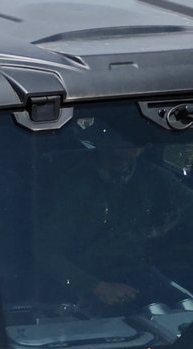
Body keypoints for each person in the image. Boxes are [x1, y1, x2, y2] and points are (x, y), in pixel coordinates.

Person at [46, 122, 193, 309]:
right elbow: (48, 254)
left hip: (140, 272)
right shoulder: (73, 187)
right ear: (101, 145)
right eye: (118, 151)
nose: (126, 160)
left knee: (185, 308)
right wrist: (97, 287)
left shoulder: (151, 175)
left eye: (134, 148)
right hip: (85, 283)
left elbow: (189, 205)